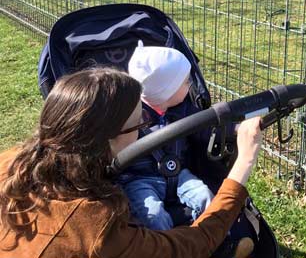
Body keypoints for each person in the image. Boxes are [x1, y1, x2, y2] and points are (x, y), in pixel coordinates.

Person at [0, 67, 262, 257]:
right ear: (110, 138)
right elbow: (186, 248)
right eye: (141, 123)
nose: (144, 130)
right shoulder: (97, 227)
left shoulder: (10, 164)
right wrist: (243, 164)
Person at [121, 43, 215, 231]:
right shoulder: (130, 115)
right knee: (152, 215)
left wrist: (234, 128)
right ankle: (165, 248)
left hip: (178, 173)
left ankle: (217, 241)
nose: (190, 85)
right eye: (186, 82)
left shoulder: (185, 109)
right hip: (139, 178)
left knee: (205, 196)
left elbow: (205, 127)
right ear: (166, 91)